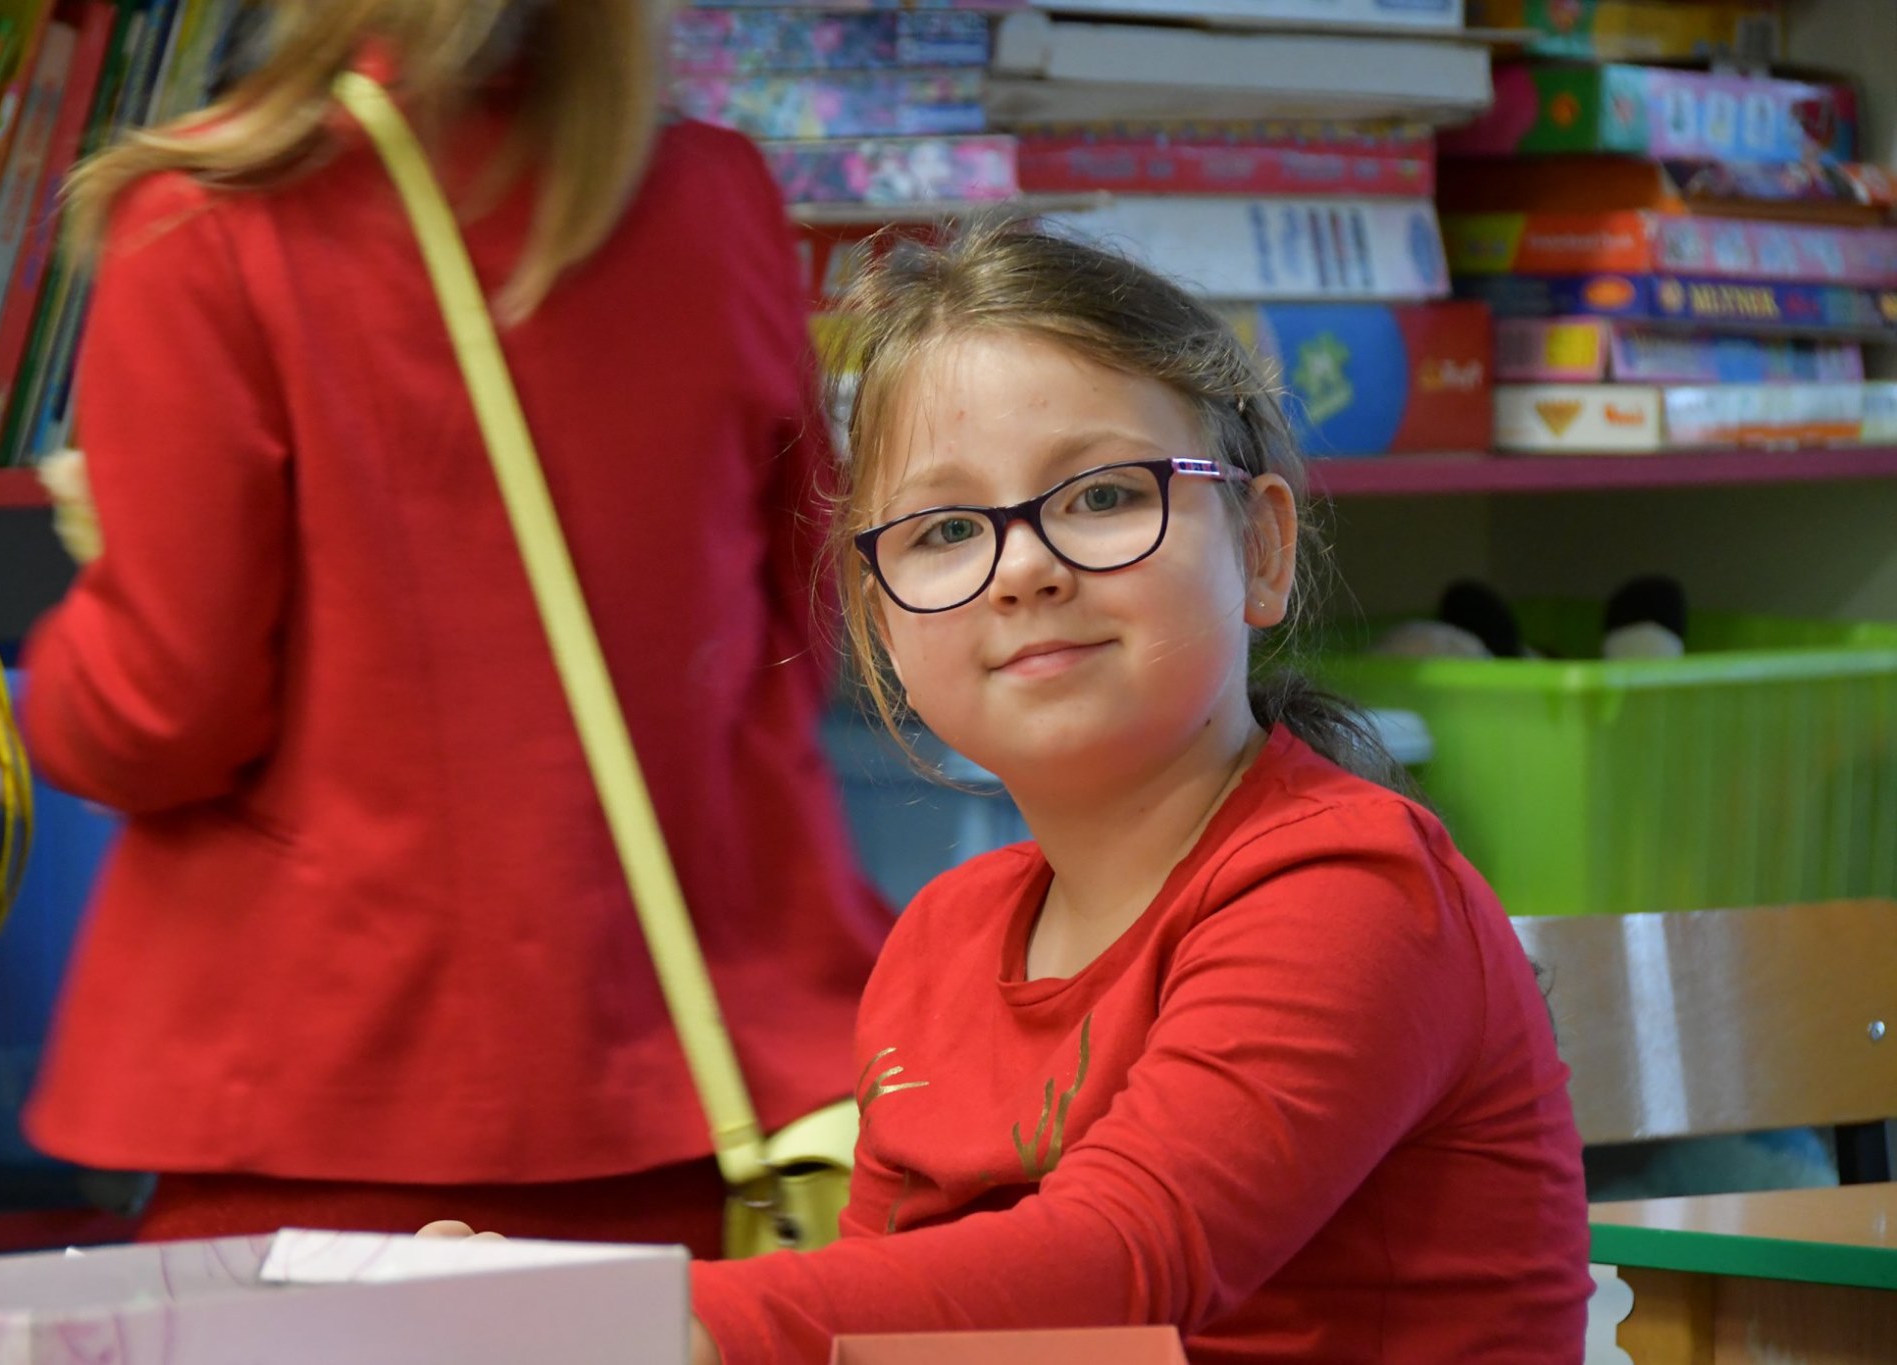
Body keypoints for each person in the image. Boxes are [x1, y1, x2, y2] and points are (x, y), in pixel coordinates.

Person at [434, 221, 1592, 1360]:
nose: (1024, 567)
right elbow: (875, 1337)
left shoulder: (1349, 890)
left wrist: (639, 1317)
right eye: (946, 528)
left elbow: (1119, 1264)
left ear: (1261, 548)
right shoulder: (940, 940)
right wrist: (524, 1307)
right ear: (881, 622)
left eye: (1102, 497)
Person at [18, 0, 889, 1254]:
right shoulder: (711, 196)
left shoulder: (206, 219)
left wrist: (83, 619)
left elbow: (160, 716)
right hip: (700, 1097)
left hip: (321, 1105)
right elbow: (800, 619)